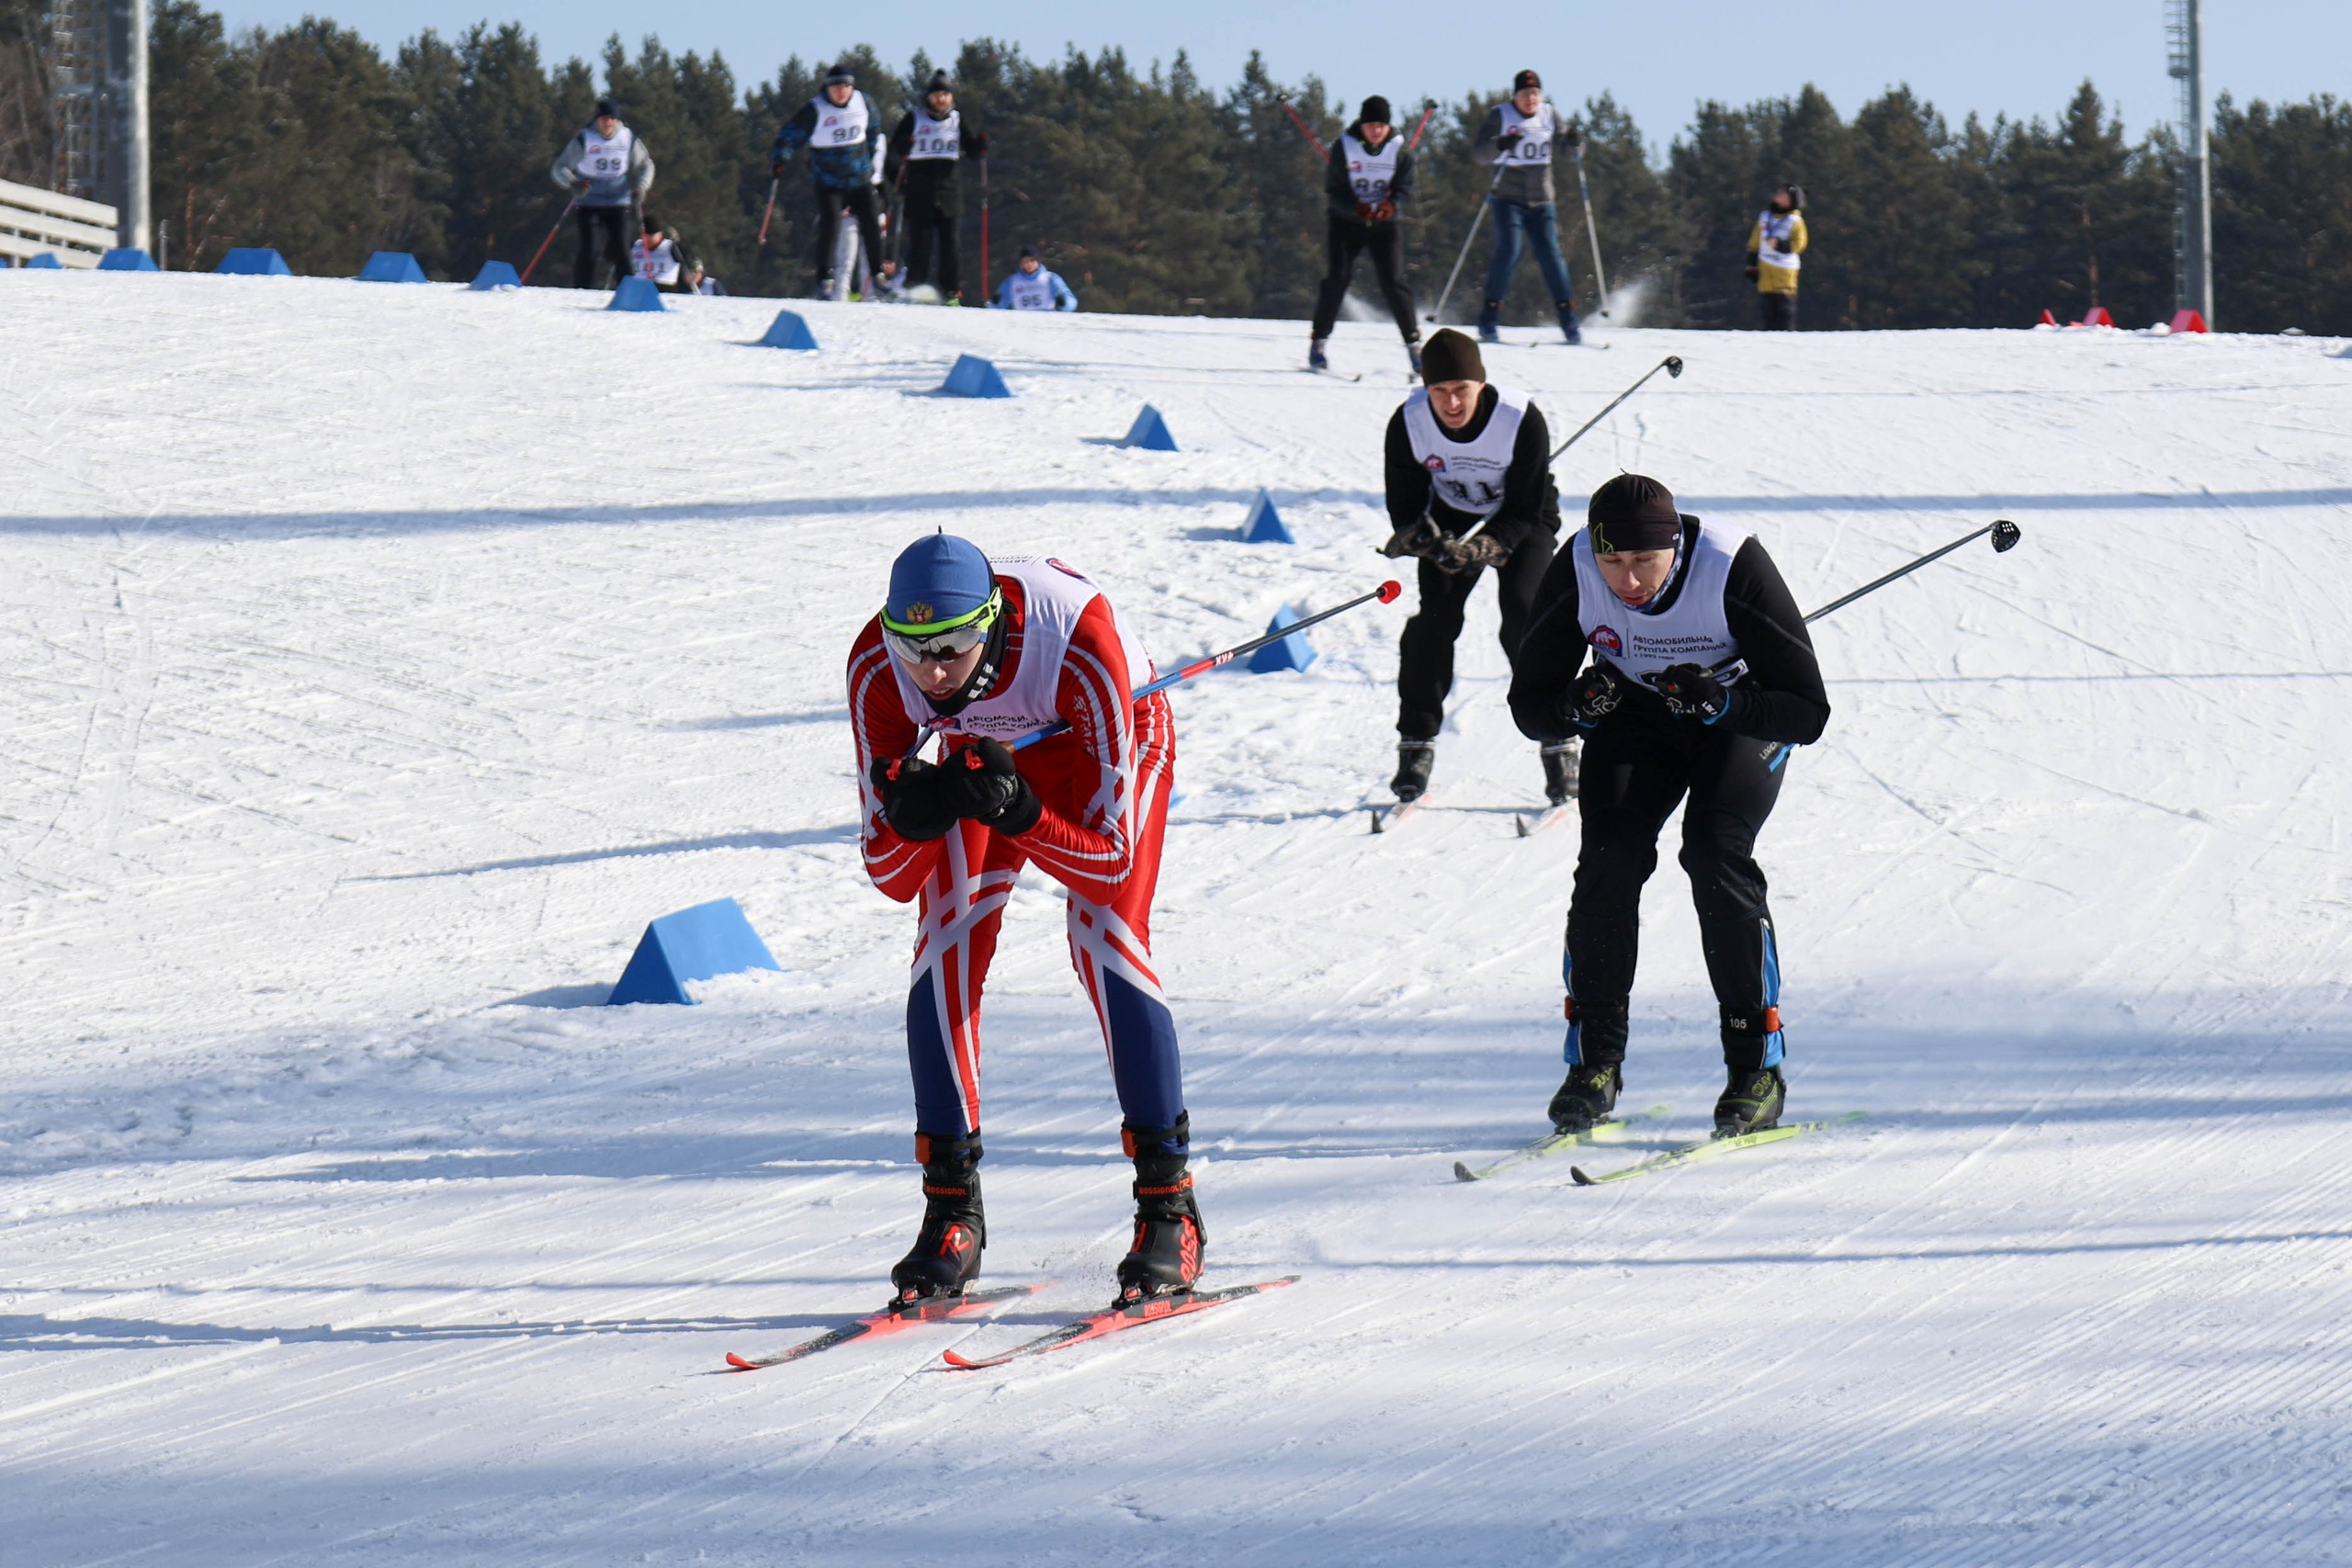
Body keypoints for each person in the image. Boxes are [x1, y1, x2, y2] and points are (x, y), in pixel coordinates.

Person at [848, 535, 1205, 1307]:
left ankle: (1169, 1206)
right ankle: (952, 1213)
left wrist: (1023, 814)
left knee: (1104, 937)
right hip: (981, 758)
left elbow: (1108, 865)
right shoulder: (878, 669)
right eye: (915, 651)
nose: (934, 672)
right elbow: (886, 873)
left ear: (994, 621)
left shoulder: (1080, 641)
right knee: (943, 937)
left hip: (1101, 737)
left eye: (954, 647)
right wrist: (918, 812)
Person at [1506, 473, 1829, 1140]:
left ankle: (1754, 1069)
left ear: (1674, 548)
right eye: (1612, 562)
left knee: (1713, 849)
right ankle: (1593, 1064)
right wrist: (1575, 706)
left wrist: (1726, 702)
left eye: (1643, 562)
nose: (1627, 581)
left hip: (1742, 711)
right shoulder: (1576, 568)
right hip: (1635, 718)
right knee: (1609, 859)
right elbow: (1529, 704)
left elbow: (1807, 710)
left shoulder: (1729, 564)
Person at [1378, 328, 1571, 807]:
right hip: (1449, 515)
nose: (1451, 403)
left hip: (1522, 521)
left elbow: (1527, 508)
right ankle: (1416, 744)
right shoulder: (1409, 420)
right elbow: (1402, 499)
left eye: (1461, 390)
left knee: (1525, 616)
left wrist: (1486, 546)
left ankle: (1558, 740)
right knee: (1433, 625)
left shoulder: (1518, 417)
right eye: (1439, 391)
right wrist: (1420, 537)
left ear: (1481, 386)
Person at [1469, 69, 1586, 345]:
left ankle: (1569, 320)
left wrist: (1576, 143)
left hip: (1542, 200)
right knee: (1509, 251)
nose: (1530, 100)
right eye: (1525, 94)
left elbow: (1570, 152)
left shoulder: (1549, 115)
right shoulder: (1501, 115)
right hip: (1507, 197)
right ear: (1515, 96)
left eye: (1535, 94)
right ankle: (1489, 319)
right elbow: (1480, 154)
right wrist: (1501, 144)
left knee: (1551, 256)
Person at [1309, 96, 1420, 375]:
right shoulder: (1343, 147)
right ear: (1362, 124)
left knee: (1393, 281)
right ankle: (1319, 342)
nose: (1376, 131)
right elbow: (1333, 191)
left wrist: (1391, 206)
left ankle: (1414, 346)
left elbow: (1405, 189)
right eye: (1371, 125)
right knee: (1337, 278)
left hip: (1385, 225)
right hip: (1347, 223)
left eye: (1381, 125)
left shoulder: (1400, 151)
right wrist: (1354, 207)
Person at [771, 62, 887, 301]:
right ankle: (824, 278)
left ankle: (878, 273)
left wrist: (870, 156)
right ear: (828, 88)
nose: (841, 91)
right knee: (830, 226)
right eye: (836, 87)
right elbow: (790, 134)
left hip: (859, 178)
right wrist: (781, 157)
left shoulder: (863, 102)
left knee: (872, 225)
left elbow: (874, 129)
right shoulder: (816, 109)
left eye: (846, 86)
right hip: (829, 181)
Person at [887, 70, 987, 304]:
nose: (941, 100)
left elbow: (972, 151)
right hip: (919, 192)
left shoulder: (957, 120)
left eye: (945, 95)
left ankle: (952, 292)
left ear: (951, 98)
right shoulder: (914, 119)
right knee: (920, 245)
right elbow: (893, 155)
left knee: (950, 246)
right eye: (936, 95)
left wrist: (980, 145)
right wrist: (902, 151)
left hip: (949, 193)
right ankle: (914, 286)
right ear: (928, 98)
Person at [549, 99, 654, 290]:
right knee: (590, 249)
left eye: (613, 119)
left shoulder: (627, 138)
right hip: (589, 202)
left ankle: (628, 291)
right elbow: (559, 168)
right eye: (605, 119)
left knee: (622, 250)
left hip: (618, 202)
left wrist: (642, 186)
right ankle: (582, 290)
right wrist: (573, 183)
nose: (608, 123)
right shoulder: (585, 139)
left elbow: (646, 164)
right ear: (597, 119)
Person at [1746, 185, 1808, 331]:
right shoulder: (1765, 217)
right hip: (1765, 265)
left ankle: (1786, 334)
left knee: (1784, 307)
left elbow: (1799, 244)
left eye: (1783, 193)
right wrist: (1751, 264)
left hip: (1785, 268)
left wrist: (1780, 245)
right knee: (1767, 307)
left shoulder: (1795, 220)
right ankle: (1768, 334)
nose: (1777, 194)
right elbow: (1755, 241)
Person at [993, 245, 1079, 311]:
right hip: (1021, 321)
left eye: (1032, 260)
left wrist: (1065, 303)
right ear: (1021, 263)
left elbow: (1071, 301)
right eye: (1025, 261)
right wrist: (994, 302)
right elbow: (998, 306)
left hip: (1047, 319)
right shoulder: (1012, 282)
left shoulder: (1051, 279)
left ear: (1038, 261)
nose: (1029, 264)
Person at [630, 213, 683, 289]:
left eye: (651, 236)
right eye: (645, 236)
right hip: (638, 288)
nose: (648, 239)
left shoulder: (670, 248)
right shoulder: (634, 246)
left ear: (660, 235)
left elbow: (687, 259)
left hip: (664, 288)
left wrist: (679, 244)